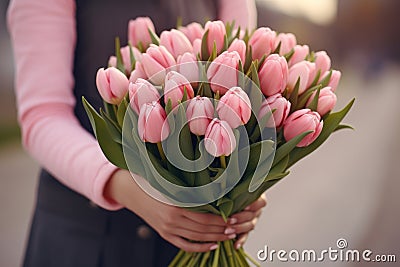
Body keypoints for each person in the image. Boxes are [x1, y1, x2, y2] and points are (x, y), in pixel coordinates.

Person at [7, 0, 266, 266]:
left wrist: (244, 185)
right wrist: (125, 187)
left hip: (194, 242)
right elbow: (43, 117)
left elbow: (240, 86)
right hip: (84, 237)